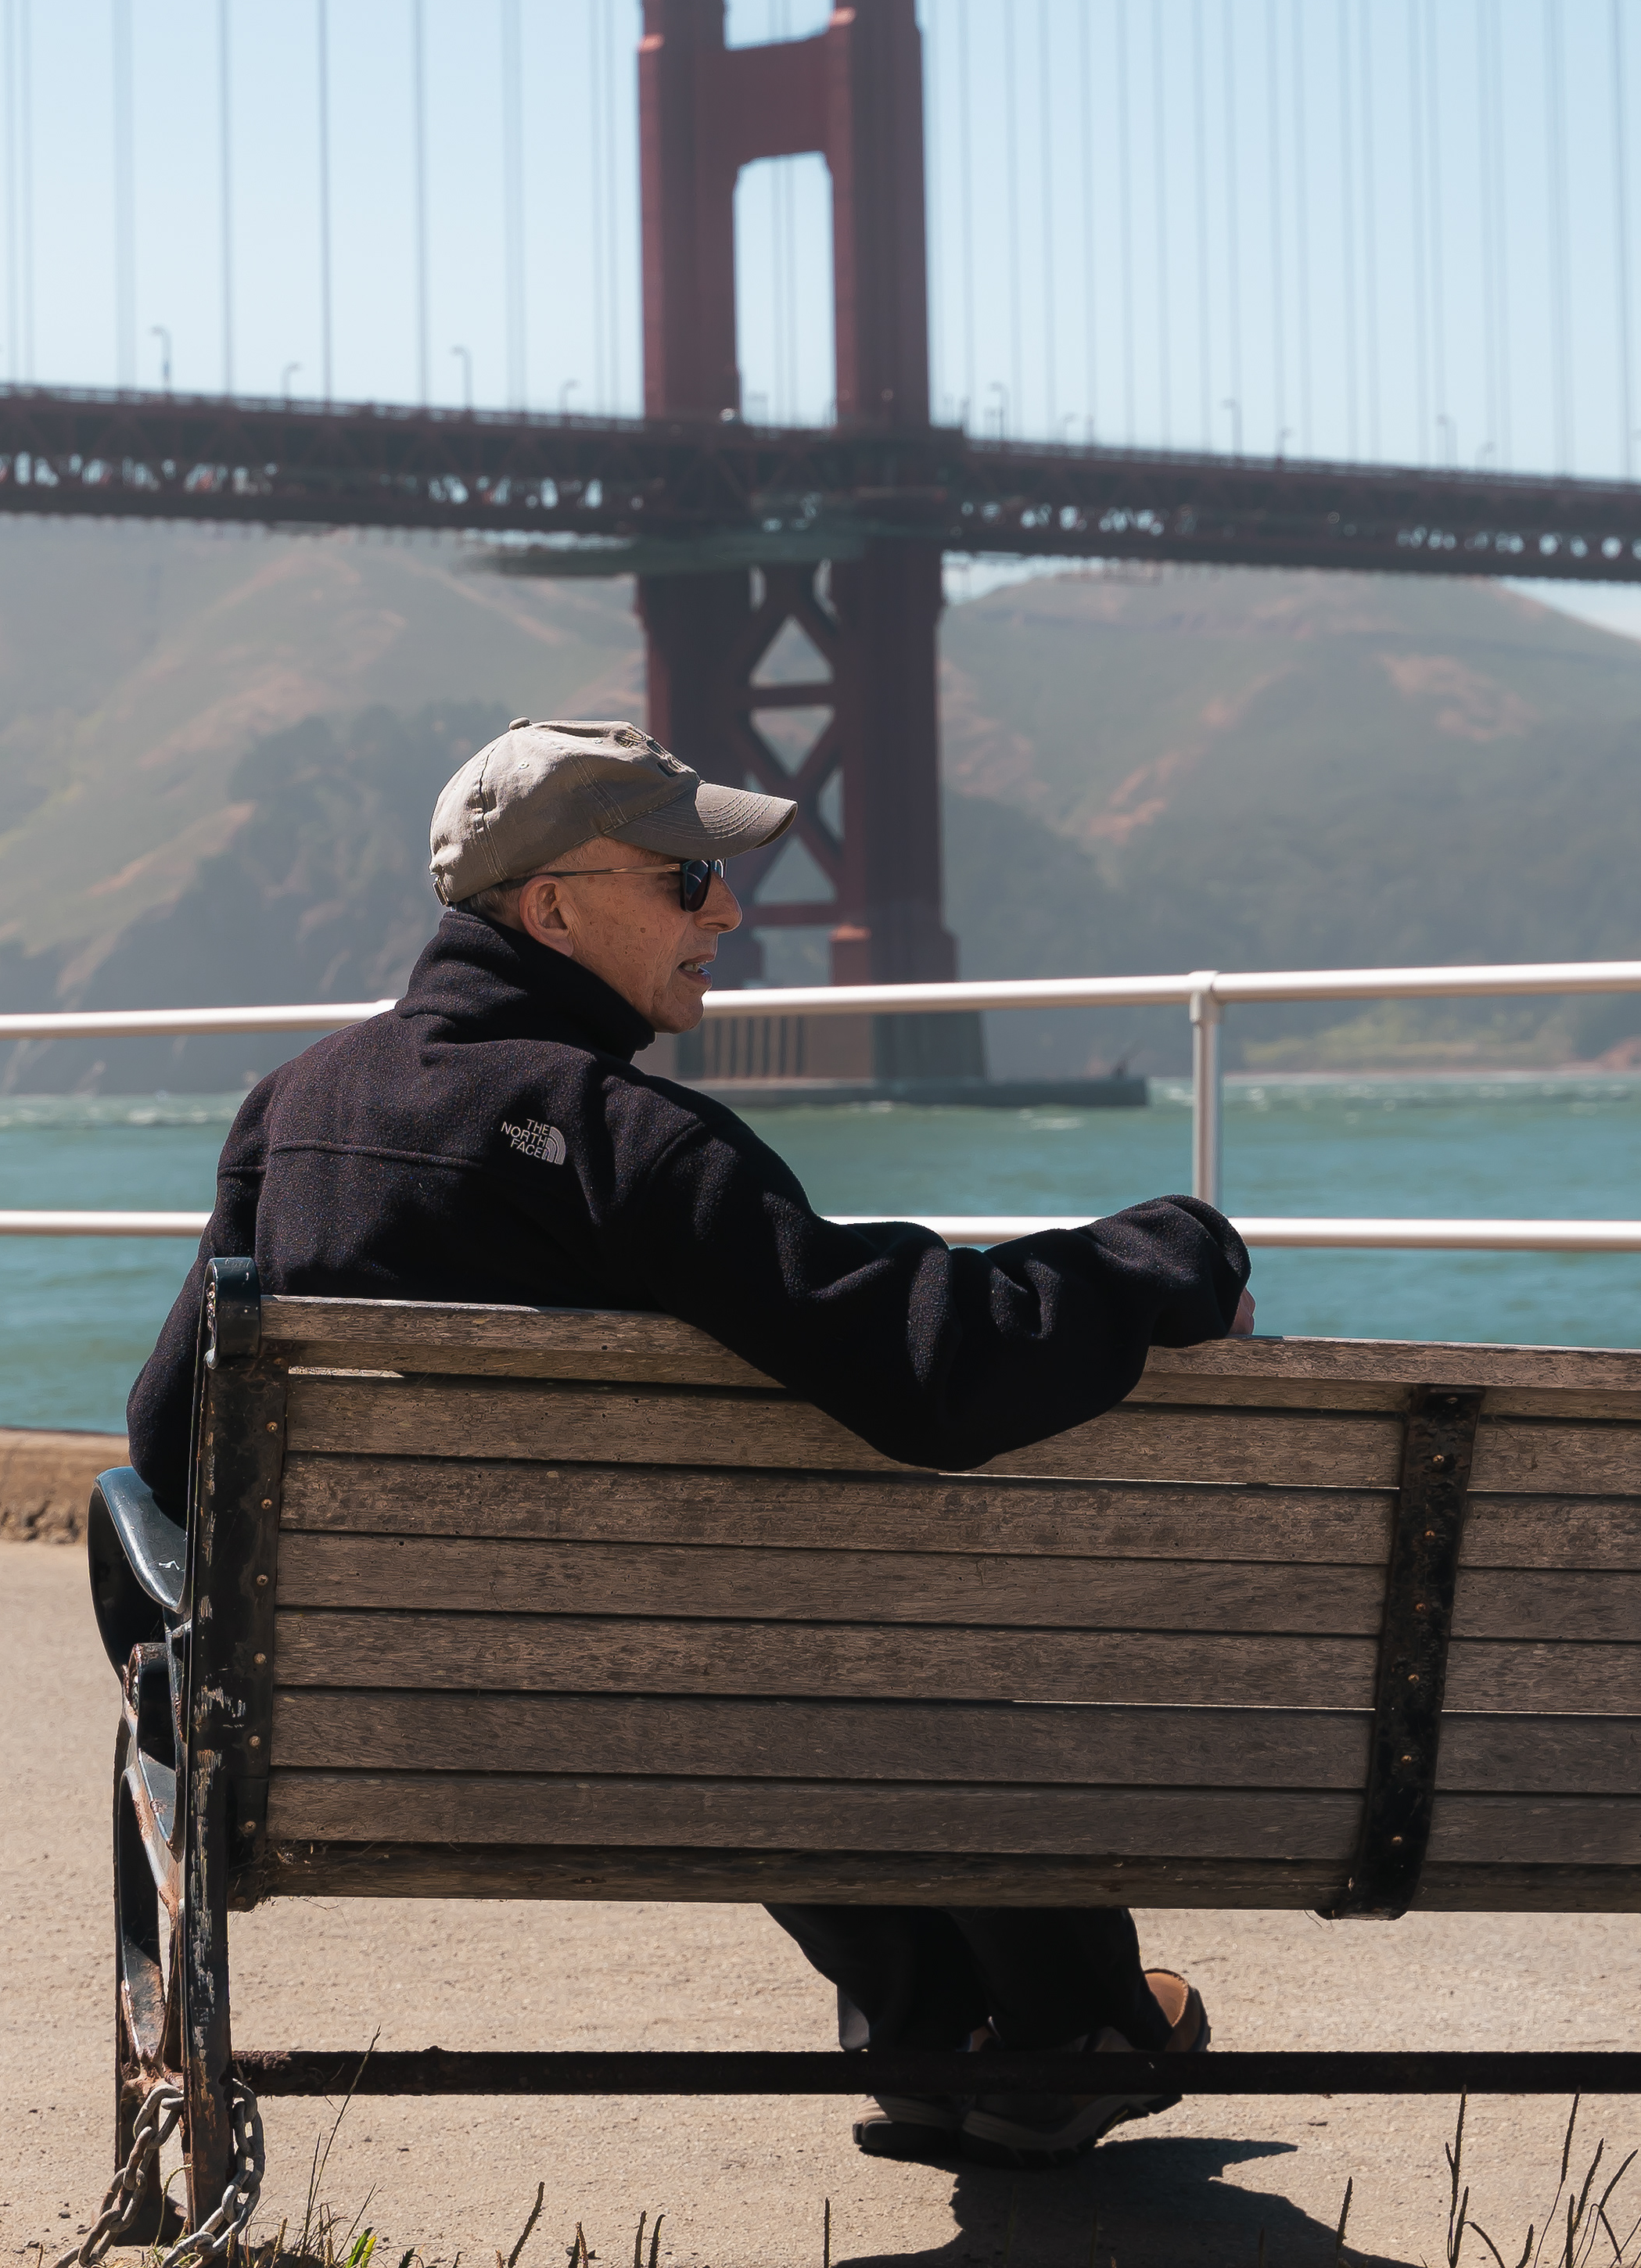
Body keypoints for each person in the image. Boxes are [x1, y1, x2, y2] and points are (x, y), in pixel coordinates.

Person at [122, 712, 1256, 2166]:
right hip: (669, 1719)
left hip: (361, 1727)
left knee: (770, 1653)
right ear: (551, 908)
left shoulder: (291, 1113)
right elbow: (937, 1367)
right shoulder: (623, 1137)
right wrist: (1168, 1256)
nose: (726, 908)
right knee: (878, 1643)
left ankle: (945, 2025)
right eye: (683, 880)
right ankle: (1060, 2022)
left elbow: (165, 1440)